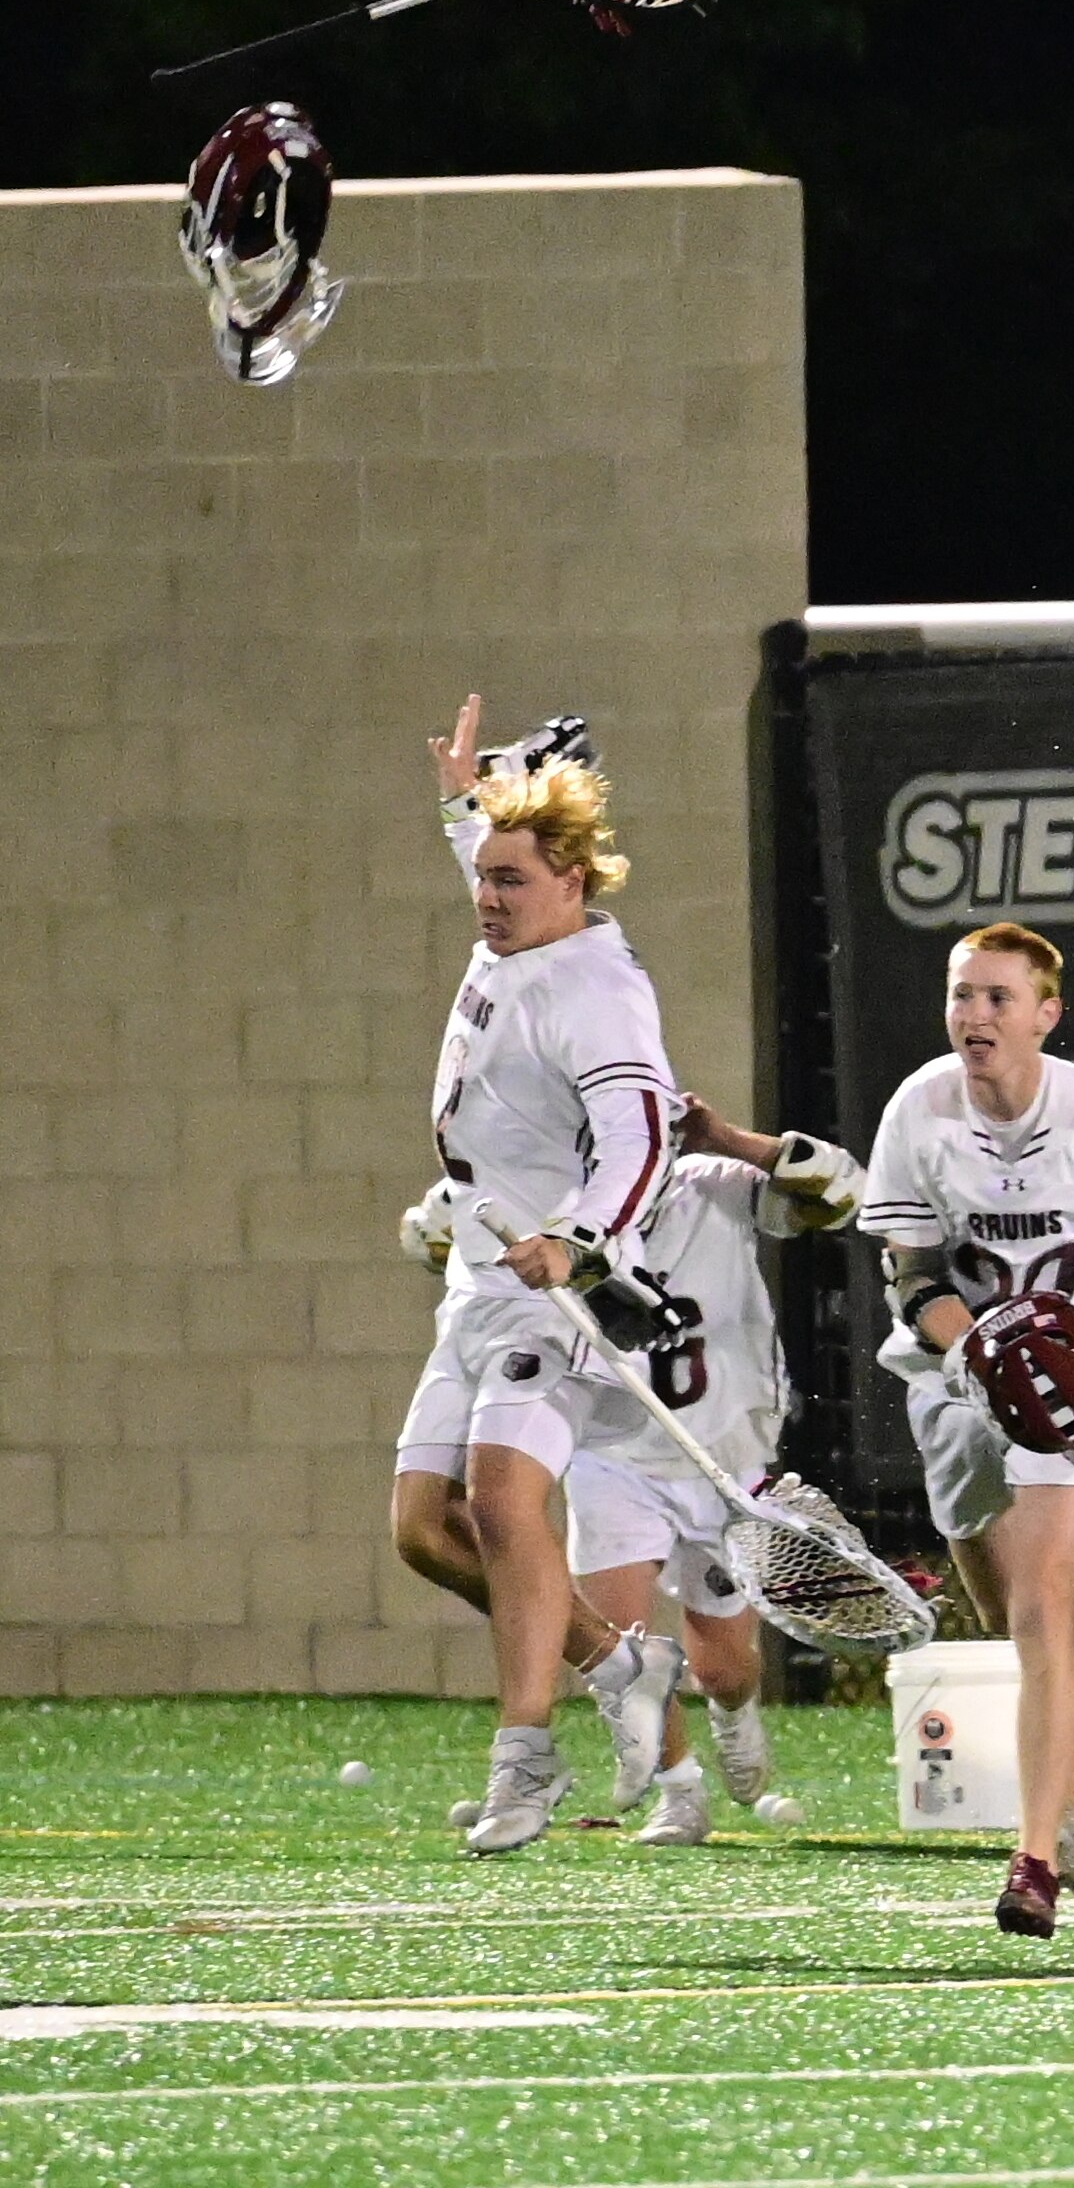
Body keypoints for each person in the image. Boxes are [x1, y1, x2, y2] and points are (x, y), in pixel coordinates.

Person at [861, 921, 1074, 1938]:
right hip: (956, 1383)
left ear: (1047, 1014)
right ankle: (1069, 1802)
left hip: (1070, 1394)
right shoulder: (917, 1109)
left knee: (1043, 1601)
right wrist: (972, 1350)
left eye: (997, 998)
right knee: (1006, 1608)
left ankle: (1040, 1855)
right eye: (962, 995)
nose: (974, 1015)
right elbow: (911, 1275)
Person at [392, 702, 684, 1834]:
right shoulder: (523, 919)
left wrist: (584, 1237)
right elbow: (487, 841)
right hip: (478, 1276)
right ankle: (618, 1664)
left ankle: (527, 1756)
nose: (488, 894)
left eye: (511, 879)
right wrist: (468, 796)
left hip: (555, 1289)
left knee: (506, 1497)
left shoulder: (595, 988)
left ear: (571, 880)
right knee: (424, 1528)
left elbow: (644, 1136)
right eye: (485, 874)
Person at [555, 1095, 862, 1842]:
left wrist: (727, 1136)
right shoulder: (558, 1217)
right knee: (622, 1645)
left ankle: (734, 1713)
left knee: (723, 1664)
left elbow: (843, 1193)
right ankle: (680, 1792)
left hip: (723, 1458)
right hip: (614, 1456)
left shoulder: (714, 1182)